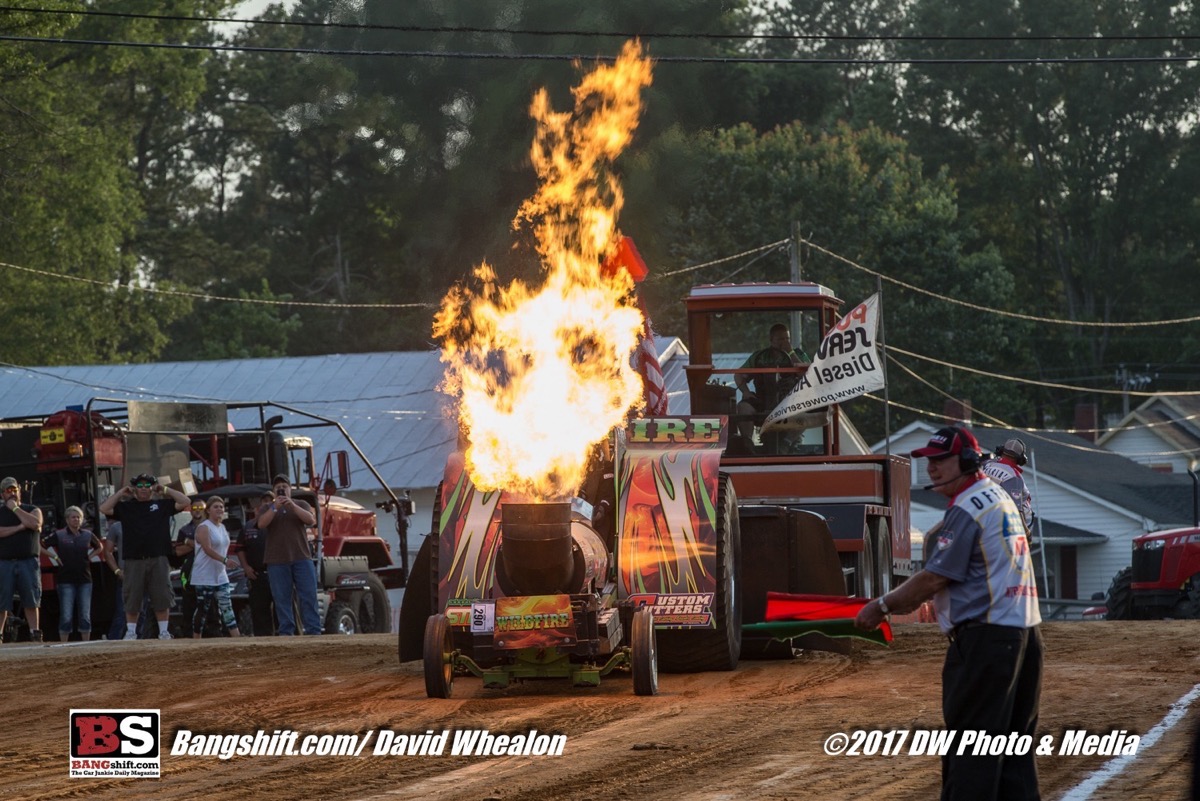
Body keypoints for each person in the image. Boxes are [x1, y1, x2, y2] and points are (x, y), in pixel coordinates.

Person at [855, 425, 1042, 801]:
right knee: (1013, 758)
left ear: (970, 461)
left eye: (941, 460)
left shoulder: (969, 507)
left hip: (987, 641)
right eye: (929, 461)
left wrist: (880, 606)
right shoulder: (998, 497)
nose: (933, 469)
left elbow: (934, 578)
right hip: (1026, 638)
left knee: (970, 753)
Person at [98, 473, 190, 641]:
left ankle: (163, 632)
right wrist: (120, 493)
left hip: (158, 557)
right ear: (134, 489)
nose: (143, 489)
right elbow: (104, 509)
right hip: (134, 559)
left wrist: (166, 489)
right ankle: (131, 632)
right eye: (139, 486)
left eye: (147, 485)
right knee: (132, 596)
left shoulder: (161, 505)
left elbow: (185, 501)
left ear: (152, 488)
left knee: (161, 595)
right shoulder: (126, 508)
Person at [255, 474, 321, 635]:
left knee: (308, 595)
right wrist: (275, 507)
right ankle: (287, 632)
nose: (281, 490)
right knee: (282, 598)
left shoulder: (301, 504)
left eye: (284, 487)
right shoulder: (267, 508)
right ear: (273, 491)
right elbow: (261, 524)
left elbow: (311, 520)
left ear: (290, 490)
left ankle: (313, 631)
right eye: (278, 488)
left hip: (301, 558)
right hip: (276, 561)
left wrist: (292, 506)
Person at [734, 323, 810, 444]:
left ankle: (787, 443)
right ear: (771, 340)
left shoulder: (799, 355)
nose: (785, 342)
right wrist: (746, 392)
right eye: (781, 339)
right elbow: (738, 375)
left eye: (787, 339)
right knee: (743, 407)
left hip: (789, 401)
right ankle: (747, 443)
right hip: (762, 401)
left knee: (810, 406)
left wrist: (790, 352)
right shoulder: (759, 356)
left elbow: (808, 376)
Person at [45, 506, 105, 641]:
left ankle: (85, 643)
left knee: (85, 614)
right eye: (73, 517)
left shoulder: (87, 534)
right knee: (66, 615)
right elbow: (40, 545)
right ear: (67, 519)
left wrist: (91, 556)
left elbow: (100, 546)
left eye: (78, 517)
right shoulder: (60, 534)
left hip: (85, 580)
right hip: (65, 580)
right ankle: (64, 644)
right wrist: (54, 557)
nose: (76, 520)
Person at [0, 477, 45, 642]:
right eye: (8, 491)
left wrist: (15, 509)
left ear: (19, 490)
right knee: (2, 601)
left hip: (28, 562)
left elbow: (35, 523)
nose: (12, 494)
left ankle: (35, 632)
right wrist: (20, 527)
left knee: (31, 599)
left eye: (14, 490)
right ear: (2, 494)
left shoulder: (32, 509)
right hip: (4, 562)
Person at [189, 496, 241, 639]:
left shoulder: (222, 527)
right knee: (203, 608)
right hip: (204, 575)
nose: (219, 509)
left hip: (220, 574)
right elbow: (207, 549)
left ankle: (236, 637)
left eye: (221, 507)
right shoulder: (204, 527)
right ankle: (196, 638)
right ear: (208, 510)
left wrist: (224, 563)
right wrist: (225, 560)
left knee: (226, 606)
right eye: (215, 507)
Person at [237, 491, 276, 636]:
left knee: (283, 610)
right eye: (263, 501)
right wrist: (246, 567)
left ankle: (287, 639)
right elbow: (240, 549)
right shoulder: (248, 526)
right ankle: (264, 642)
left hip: (278, 572)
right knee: (259, 612)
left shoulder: (278, 522)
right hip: (257, 575)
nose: (266, 503)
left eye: (269, 501)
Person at [982, 438, 1034, 534]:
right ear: (1020, 459)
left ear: (1001, 451)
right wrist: (1026, 532)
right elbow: (1016, 510)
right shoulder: (1013, 476)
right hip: (1007, 528)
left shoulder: (987, 465)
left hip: (986, 519)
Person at [173, 498, 207, 637]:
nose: (197, 511)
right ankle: (188, 635)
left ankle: (212, 634)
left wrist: (189, 542)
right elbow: (178, 551)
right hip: (188, 572)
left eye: (201, 508)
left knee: (209, 605)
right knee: (189, 605)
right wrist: (198, 544)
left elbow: (209, 546)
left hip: (207, 571)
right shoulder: (184, 529)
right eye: (194, 508)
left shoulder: (211, 527)